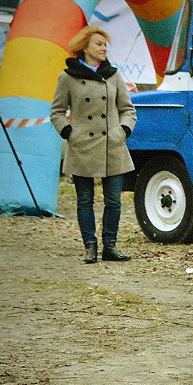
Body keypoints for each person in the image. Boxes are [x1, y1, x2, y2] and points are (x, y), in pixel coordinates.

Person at [51, 25, 137, 264]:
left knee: (114, 201)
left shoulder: (113, 75)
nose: (104, 48)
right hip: (82, 146)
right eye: (99, 44)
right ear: (84, 48)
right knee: (85, 200)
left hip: (113, 145)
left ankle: (110, 245)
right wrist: (69, 132)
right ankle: (90, 246)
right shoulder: (68, 77)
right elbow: (57, 111)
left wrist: (123, 131)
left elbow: (128, 109)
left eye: (105, 44)